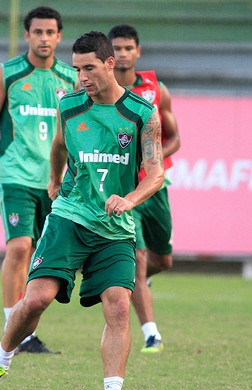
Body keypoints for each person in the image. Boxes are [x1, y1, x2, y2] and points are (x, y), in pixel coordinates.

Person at [0, 31, 165, 390]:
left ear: (110, 64)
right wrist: (53, 179)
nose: (82, 78)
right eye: (77, 70)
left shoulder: (142, 114)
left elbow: (156, 174)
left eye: (89, 68)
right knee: (35, 301)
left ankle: (112, 387)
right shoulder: (70, 105)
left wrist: (129, 200)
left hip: (115, 227)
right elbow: (59, 145)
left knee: (119, 305)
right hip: (70, 218)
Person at [0, 6, 78, 354]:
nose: (44, 38)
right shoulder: (8, 74)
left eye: (50, 32)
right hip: (16, 176)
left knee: (39, 255)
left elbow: (81, 130)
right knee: (18, 248)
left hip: (56, 181)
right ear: (27, 35)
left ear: (59, 36)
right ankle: (15, 331)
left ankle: (25, 327)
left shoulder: (72, 79)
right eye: (38, 32)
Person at [108, 24, 181, 353]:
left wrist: (151, 158)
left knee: (162, 261)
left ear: (138, 51)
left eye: (128, 48)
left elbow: (175, 139)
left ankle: (141, 283)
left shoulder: (156, 89)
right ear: (108, 55)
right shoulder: (103, 93)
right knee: (136, 257)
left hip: (154, 186)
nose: (122, 54)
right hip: (125, 189)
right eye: (117, 49)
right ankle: (152, 334)